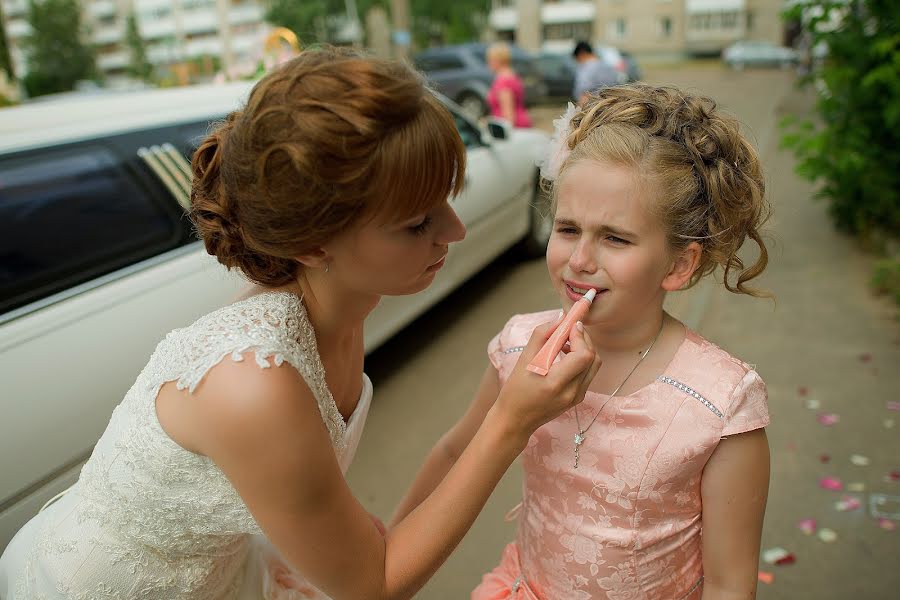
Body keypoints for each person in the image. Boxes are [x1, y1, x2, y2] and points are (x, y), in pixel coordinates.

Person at [0, 48, 601, 600]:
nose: (455, 231)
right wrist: (511, 421)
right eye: (417, 223)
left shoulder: (336, 307)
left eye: (447, 198)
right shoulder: (254, 384)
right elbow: (370, 585)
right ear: (315, 244)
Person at [392, 84, 772, 599]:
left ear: (680, 265)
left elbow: (729, 584)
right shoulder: (517, 347)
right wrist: (388, 551)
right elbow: (456, 450)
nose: (580, 260)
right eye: (568, 229)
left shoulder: (722, 403)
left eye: (615, 238)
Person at [486, 42, 532, 128]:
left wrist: (508, 135)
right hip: (520, 122)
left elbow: (508, 114)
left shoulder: (503, 80)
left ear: (498, 60)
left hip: (514, 127)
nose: (488, 63)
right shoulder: (511, 75)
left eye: (489, 60)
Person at [572, 41, 622, 105]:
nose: (578, 62)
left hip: (592, 106)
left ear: (582, 54)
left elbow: (584, 93)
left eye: (578, 59)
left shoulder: (587, 69)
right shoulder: (607, 66)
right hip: (609, 105)